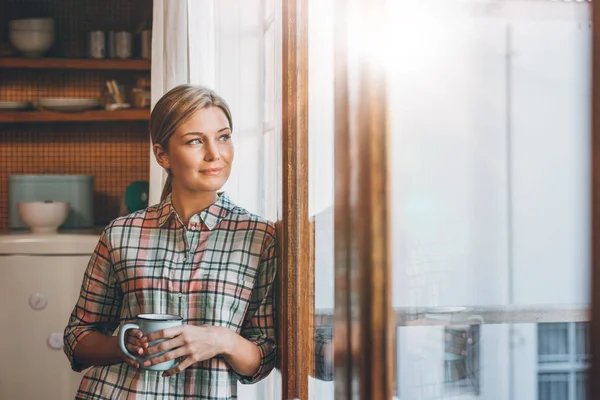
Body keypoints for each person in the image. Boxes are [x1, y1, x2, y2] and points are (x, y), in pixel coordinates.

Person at [63, 84, 277, 399]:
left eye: (223, 137)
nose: (214, 154)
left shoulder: (261, 237)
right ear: (162, 154)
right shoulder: (121, 233)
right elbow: (76, 338)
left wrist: (219, 339)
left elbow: (264, 356)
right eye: (194, 141)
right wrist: (125, 343)